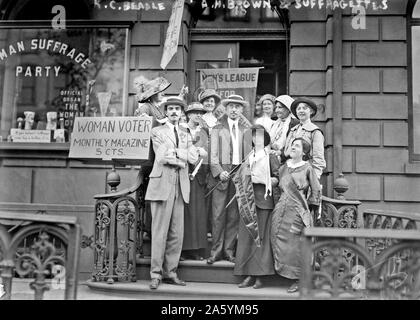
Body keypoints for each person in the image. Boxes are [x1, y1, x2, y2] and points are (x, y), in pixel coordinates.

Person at [145, 96, 199, 290]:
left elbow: (193, 157)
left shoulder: (186, 133)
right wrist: (181, 156)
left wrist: (177, 153)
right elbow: (162, 157)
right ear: (166, 112)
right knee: (159, 232)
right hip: (162, 184)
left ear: (181, 112)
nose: (174, 112)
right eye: (171, 109)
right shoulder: (157, 131)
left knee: (177, 233)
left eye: (177, 109)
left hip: (181, 185)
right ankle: (155, 274)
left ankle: (171, 272)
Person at [270, 137, 321, 293]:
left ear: (304, 152)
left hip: (297, 211)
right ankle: (284, 274)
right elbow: (278, 187)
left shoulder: (307, 167)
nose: (293, 147)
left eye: (297, 146)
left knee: (295, 245)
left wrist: (310, 210)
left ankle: (299, 278)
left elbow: (316, 189)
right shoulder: (283, 167)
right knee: (278, 240)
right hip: (280, 210)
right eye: (292, 145)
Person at [234, 125, 279, 289]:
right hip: (247, 201)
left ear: (265, 139)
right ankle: (248, 274)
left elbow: (277, 178)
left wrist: (264, 180)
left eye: (260, 136)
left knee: (261, 239)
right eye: (254, 136)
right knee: (247, 238)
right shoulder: (248, 157)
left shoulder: (271, 156)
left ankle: (260, 276)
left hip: (263, 201)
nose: (256, 139)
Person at [207, 94, 249, 264]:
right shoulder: (217, 128)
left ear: (242, 110)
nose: (233, 109)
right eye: (231, 106)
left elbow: (250, 155)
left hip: (239, 175)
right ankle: (215, 251)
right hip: (222, 176)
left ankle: (229, 251)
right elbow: (213, 155)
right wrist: (218, 171)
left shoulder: (247, 129)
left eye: (237, 107)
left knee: (234, 216)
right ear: (226, 108)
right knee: (218, 215)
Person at [181, 102, 209, 260]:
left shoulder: (204, 131)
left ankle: (197, 249)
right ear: (188, 114)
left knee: (198, 212)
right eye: (195, 112)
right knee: (184, 212)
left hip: (199, 176)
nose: (198, 115)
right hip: (184, 173)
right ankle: (184, 249)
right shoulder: (182, 130)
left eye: (200, 113)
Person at [283, 98, 326, 180]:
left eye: (305, 108)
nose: (301, 111)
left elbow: (319, 159)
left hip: (305, 173)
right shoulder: (292, 130)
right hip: (289, 172)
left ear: (311, 111)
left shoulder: (315, 131)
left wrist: (314, 179)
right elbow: (286, 152)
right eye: (298, 109)